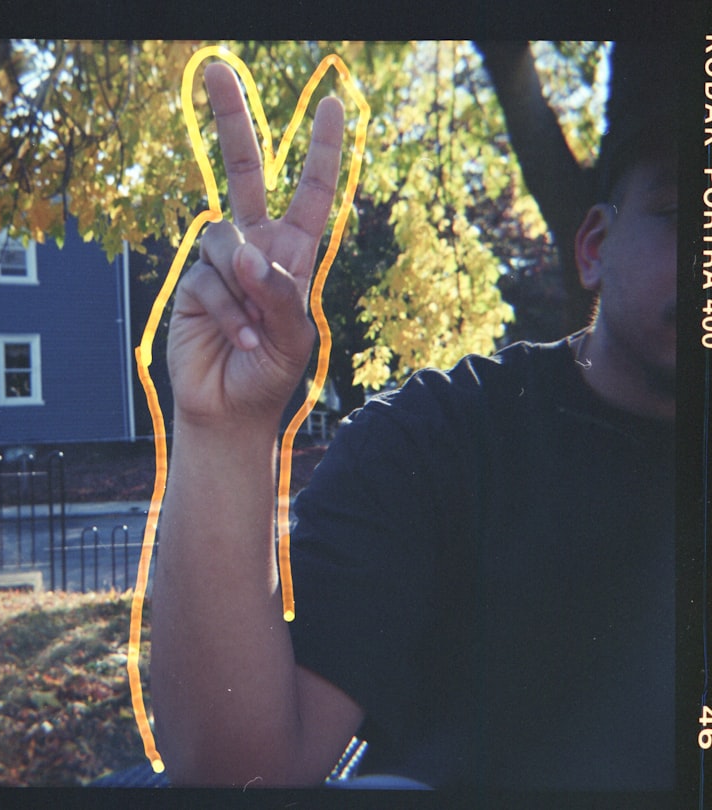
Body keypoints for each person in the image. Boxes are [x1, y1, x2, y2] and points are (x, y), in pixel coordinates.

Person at [149, 48, 676, 790]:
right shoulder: (440, 440)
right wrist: (224, 428)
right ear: (593, 247)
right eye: (690, 215)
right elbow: (238, 776)